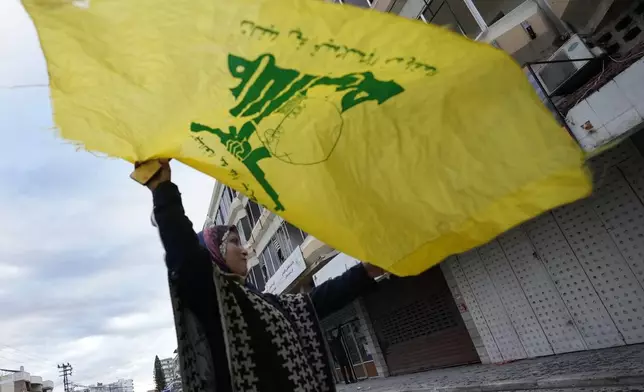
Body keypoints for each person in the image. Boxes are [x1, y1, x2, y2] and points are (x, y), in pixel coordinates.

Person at [142, 159, 385, 392]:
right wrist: (164, 191)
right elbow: (185, 254)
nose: (245, 250)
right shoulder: (212, 304)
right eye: (235, 242)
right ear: (214, 253)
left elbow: (314, 301)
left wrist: (365, 272)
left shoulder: (261, 303)